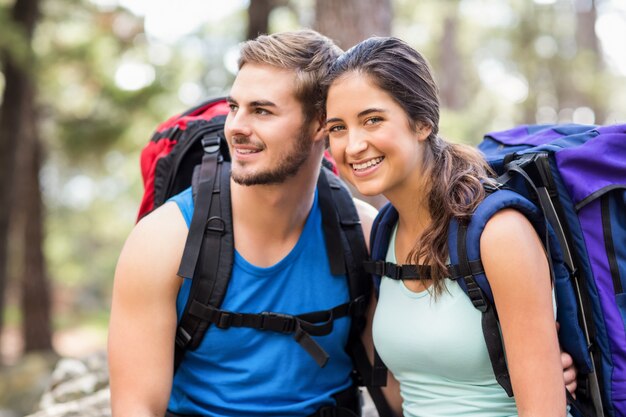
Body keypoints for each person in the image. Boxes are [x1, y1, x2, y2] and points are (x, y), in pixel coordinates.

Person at [108, 29, 576, 417]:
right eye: (235, 107)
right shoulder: (164, 239)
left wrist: (540, 374)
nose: (235, 127)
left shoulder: (368, 231)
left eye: (262, 110)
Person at [324, 36, 573, 417]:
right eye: (338, 128)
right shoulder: (383, 234)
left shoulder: (500, 233)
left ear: (422, 122)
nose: (353, 144)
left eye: (373, 119)